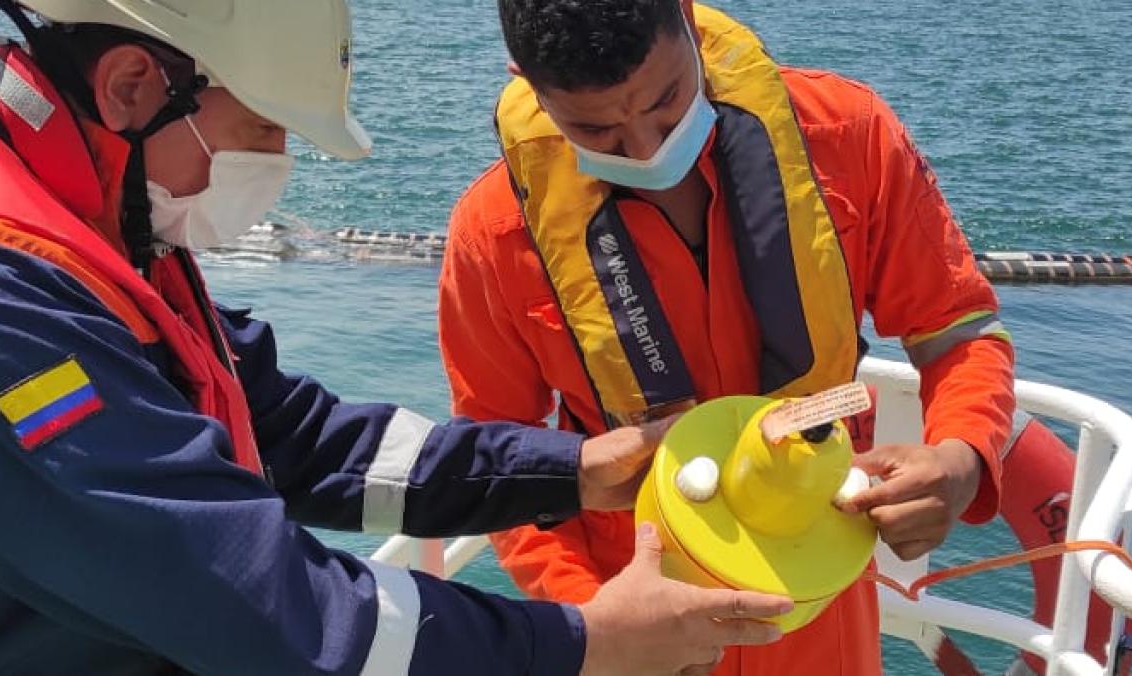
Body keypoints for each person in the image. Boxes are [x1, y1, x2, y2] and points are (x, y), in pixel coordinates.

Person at [0, 1, 792, 673]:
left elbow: (302, 441)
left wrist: (572, 470)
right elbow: (258, 610)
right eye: (264, 129)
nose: (278, 160)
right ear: (136, 87)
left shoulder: (88, 225)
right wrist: (581, 646)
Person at [438, 1, 1021, 673]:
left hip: (821, 598)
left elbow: (958, 328)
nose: (647, 148)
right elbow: (495, 449)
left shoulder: (849, 133)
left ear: (687, 18)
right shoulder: (490, 234)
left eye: (667, 101)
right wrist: (593, 618)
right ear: (526, 81)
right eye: (596, 129)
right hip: (630, 614)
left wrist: (962, 455)